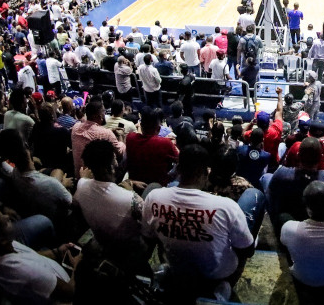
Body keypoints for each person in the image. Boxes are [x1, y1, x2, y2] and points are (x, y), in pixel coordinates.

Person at [141, 145, 255, 302]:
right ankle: (221, 288)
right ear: (204, 173)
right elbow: (247, 251)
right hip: (216, 275)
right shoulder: (227, 206)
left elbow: (148, 236)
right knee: (255, 197)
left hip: (174, 265)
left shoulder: (153, 196)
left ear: (178, 170)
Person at [0, 204, 77, 303]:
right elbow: (72, 292)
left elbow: (32, 257)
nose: (7, 216)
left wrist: (56, 252)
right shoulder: (27, 272)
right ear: (0, 239)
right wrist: (77, 265)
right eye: (4, 222)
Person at [73, 139, 150, 265]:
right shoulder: (131, 199)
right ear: (110, 167)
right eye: (114, 158)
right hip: (130, 249)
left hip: (101, 240)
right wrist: (132, 192)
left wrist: (129, 183)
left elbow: (80, 194)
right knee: (152, 187)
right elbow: (149, 224)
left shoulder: (81, 186)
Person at [71, 100, 126, 178]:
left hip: (78, 175)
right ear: (99, 116)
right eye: (103, 112)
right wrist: (121, 137)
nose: (104, 114)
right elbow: (120, 152)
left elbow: (89, 132)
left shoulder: (75, 127)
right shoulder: (105, 133)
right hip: (97, 178)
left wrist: (110, 131)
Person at [125, 106, 179, 186]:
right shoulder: (165, 143)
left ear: (141, 126)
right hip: (158, 187)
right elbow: (181, 160)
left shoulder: (130, 138)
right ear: (158, 128)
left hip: (134, 185)